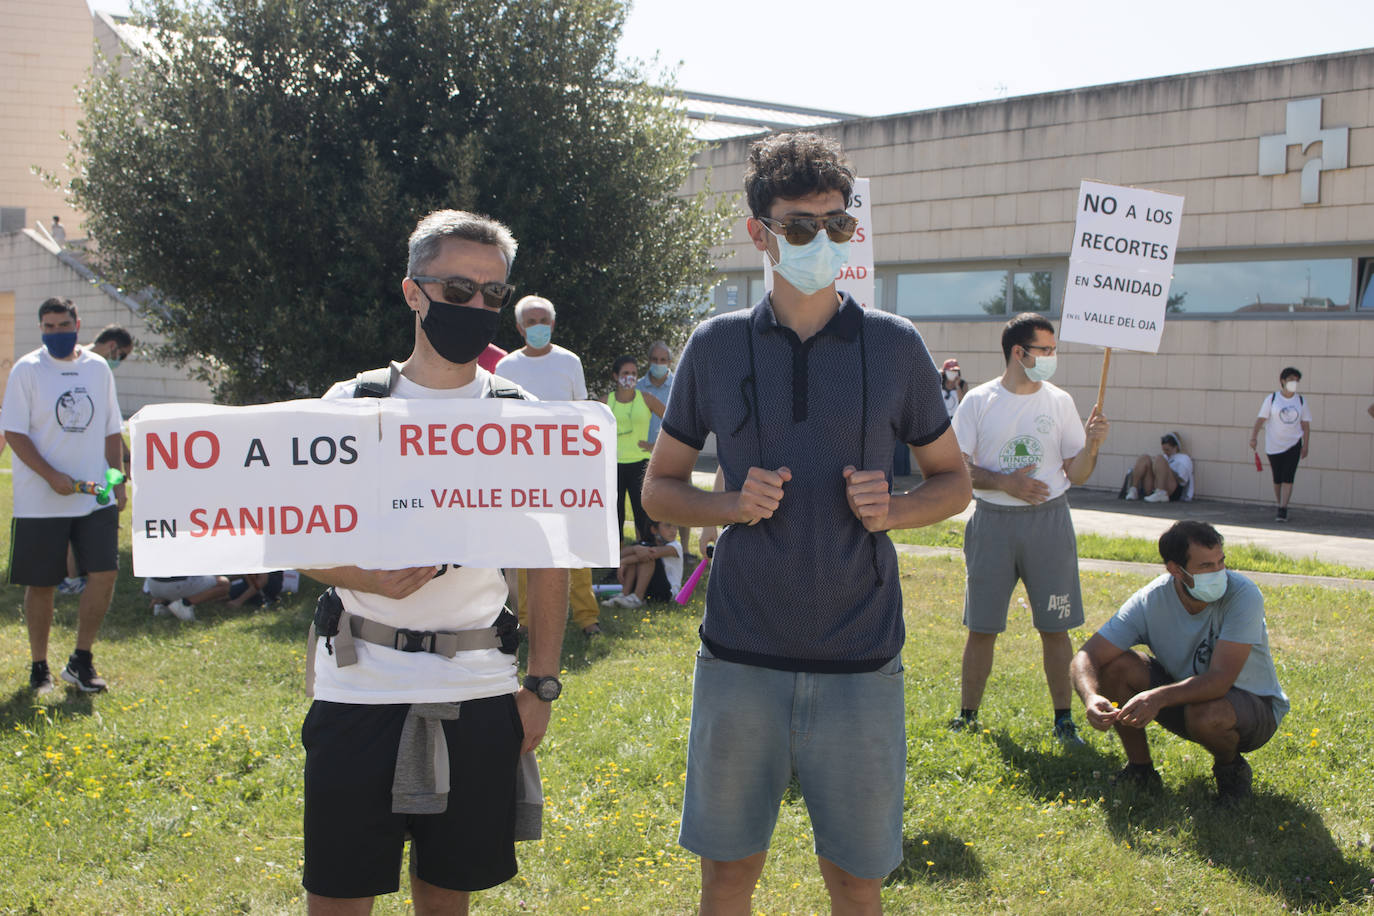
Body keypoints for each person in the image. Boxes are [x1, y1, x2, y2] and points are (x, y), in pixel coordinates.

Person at [642, 131, 970, 915]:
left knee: (858, 882)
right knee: (726, 876)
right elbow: (658, 490)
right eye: (800, 225)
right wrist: (727, 505)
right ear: (759, 233)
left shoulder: (896, 345)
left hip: (860, 660)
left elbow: (953, 479)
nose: (821, 240)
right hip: (739, 656)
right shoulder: (715, 346)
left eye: (837, 223)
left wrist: (898, 508)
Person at [300, 209, 570, 914]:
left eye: (493, 294)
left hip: (478, 689)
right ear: (412, 291)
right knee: (338, 895)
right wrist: (363, 577)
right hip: (359, 689)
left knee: (448, 895)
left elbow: (547, 568)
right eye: (458, 290)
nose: (477, 307)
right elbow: (292, 539)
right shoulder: (350, 407)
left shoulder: (524, 420)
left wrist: (540, 686)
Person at [949, 312, 1109, 743]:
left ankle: (1063, 720)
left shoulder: (1059, 402)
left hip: (1049, 524)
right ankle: (967, 716)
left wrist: (1092, 445)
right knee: (981, 626)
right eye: (1046, 350)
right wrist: (1006, 482)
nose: (1052, 358)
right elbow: (956, 466)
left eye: (1054, 349)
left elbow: (1077, 473)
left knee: (1055, 627)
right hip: (992, 524)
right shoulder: (978, 402)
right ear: (1019, 353)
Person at [1070, 520, 1288, 800]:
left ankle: (1231, 770)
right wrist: (1090, 696)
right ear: (1175, 569)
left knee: (1205, 713)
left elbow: (1219, 681)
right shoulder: (1150, 600)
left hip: (1255, 707)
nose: (1219, 572)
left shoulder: (1243, 594)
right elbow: (1086, 656)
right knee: (1116, 667)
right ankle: (1141, 770)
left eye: (1221, 562)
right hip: (1186, 699)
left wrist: (1157, 698)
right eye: (1206, 566)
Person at [2, 297, 126, 694]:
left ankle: (81, 661)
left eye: (62, 325)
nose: (55, 332)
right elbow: (15, 433)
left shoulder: (97, 369)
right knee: (42, 585)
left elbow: (110, 427)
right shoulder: (27, 370)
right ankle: (40, 668)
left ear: (77, 323)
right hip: (40, 499)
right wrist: (51, 476)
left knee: (104, 575)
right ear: (41, 329)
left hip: (94, 496)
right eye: (48, 327)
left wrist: (117, 478)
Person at [495, 296, 602, 637]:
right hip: (522, 472)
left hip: (568, 469)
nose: (537, 326)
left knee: (576, 544)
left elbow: (582, 414)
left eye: (543, 320)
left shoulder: (569, 362)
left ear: (553, 324)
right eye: (530, 321)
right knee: (528, 547)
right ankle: (525, 621)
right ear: (519, 327)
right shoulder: (505, 369)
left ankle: (587, 618)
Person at [638, 340, 694, 556]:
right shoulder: (638, 387)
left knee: (684, 503)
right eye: (654, 359)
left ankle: (685, 549)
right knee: (645, 504)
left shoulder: (680, 383)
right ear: (649, 361)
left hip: (678, 454)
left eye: (663, 360)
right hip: (643, 455)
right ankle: (649, 545)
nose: (658, 363)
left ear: (670, 362)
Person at [607, 355, 663, 544]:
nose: (629, 377)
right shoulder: (606, 401)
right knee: (615, 516)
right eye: (625, 373)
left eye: (633, 373)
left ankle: (649, 560)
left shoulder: (646, 399)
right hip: (613, 466)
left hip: (640, 464)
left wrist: (655, 445)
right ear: (616, 376)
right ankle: (617, 566)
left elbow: (673, 419)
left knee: (644, 515)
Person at [1249, 367, 1311, 522]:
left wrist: (1305, 445)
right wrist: (1254, 437)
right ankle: (1279, 503)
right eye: (1290, 379)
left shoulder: (1300, 401)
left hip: (1294, 443)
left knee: (1288, 477)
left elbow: (1305, 425)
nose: (1293, 383)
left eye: (1296, 380)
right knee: (1277, 478)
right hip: (1274, 444)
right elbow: (1261, 419)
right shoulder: (1272, 399)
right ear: (1282, 381)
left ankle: (1283, 508)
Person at [602, 519, 683, 610]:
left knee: (647, 559)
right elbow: (619, 555)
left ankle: (637, 598)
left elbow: (650, 554)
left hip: (667, 593)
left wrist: (623, 562)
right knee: (637, 557)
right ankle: (625, 594)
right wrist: (635, 549)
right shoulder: (647, 544)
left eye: (675, 526)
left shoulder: (675, 546)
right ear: (654, 530)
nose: (673, 530)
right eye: (668, 526)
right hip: (651, 589)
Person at [1126, 431, 1194, 503]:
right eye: (1163, 450)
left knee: (1159, 458)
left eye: (1167, 450)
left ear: (1176, 447)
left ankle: (1161, 492)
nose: (1165, 452)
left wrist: (1165, 469)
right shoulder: (1165, 457)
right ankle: (1134, 489)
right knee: (1145, 458)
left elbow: (1182, 480)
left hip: (1172, 491)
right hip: (1156, 486)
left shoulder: (1183, 458)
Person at [146, 575, 231, 621]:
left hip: (152, 585)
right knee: (223, 583)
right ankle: (184, 604)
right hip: (175, 586)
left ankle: (164, 603)